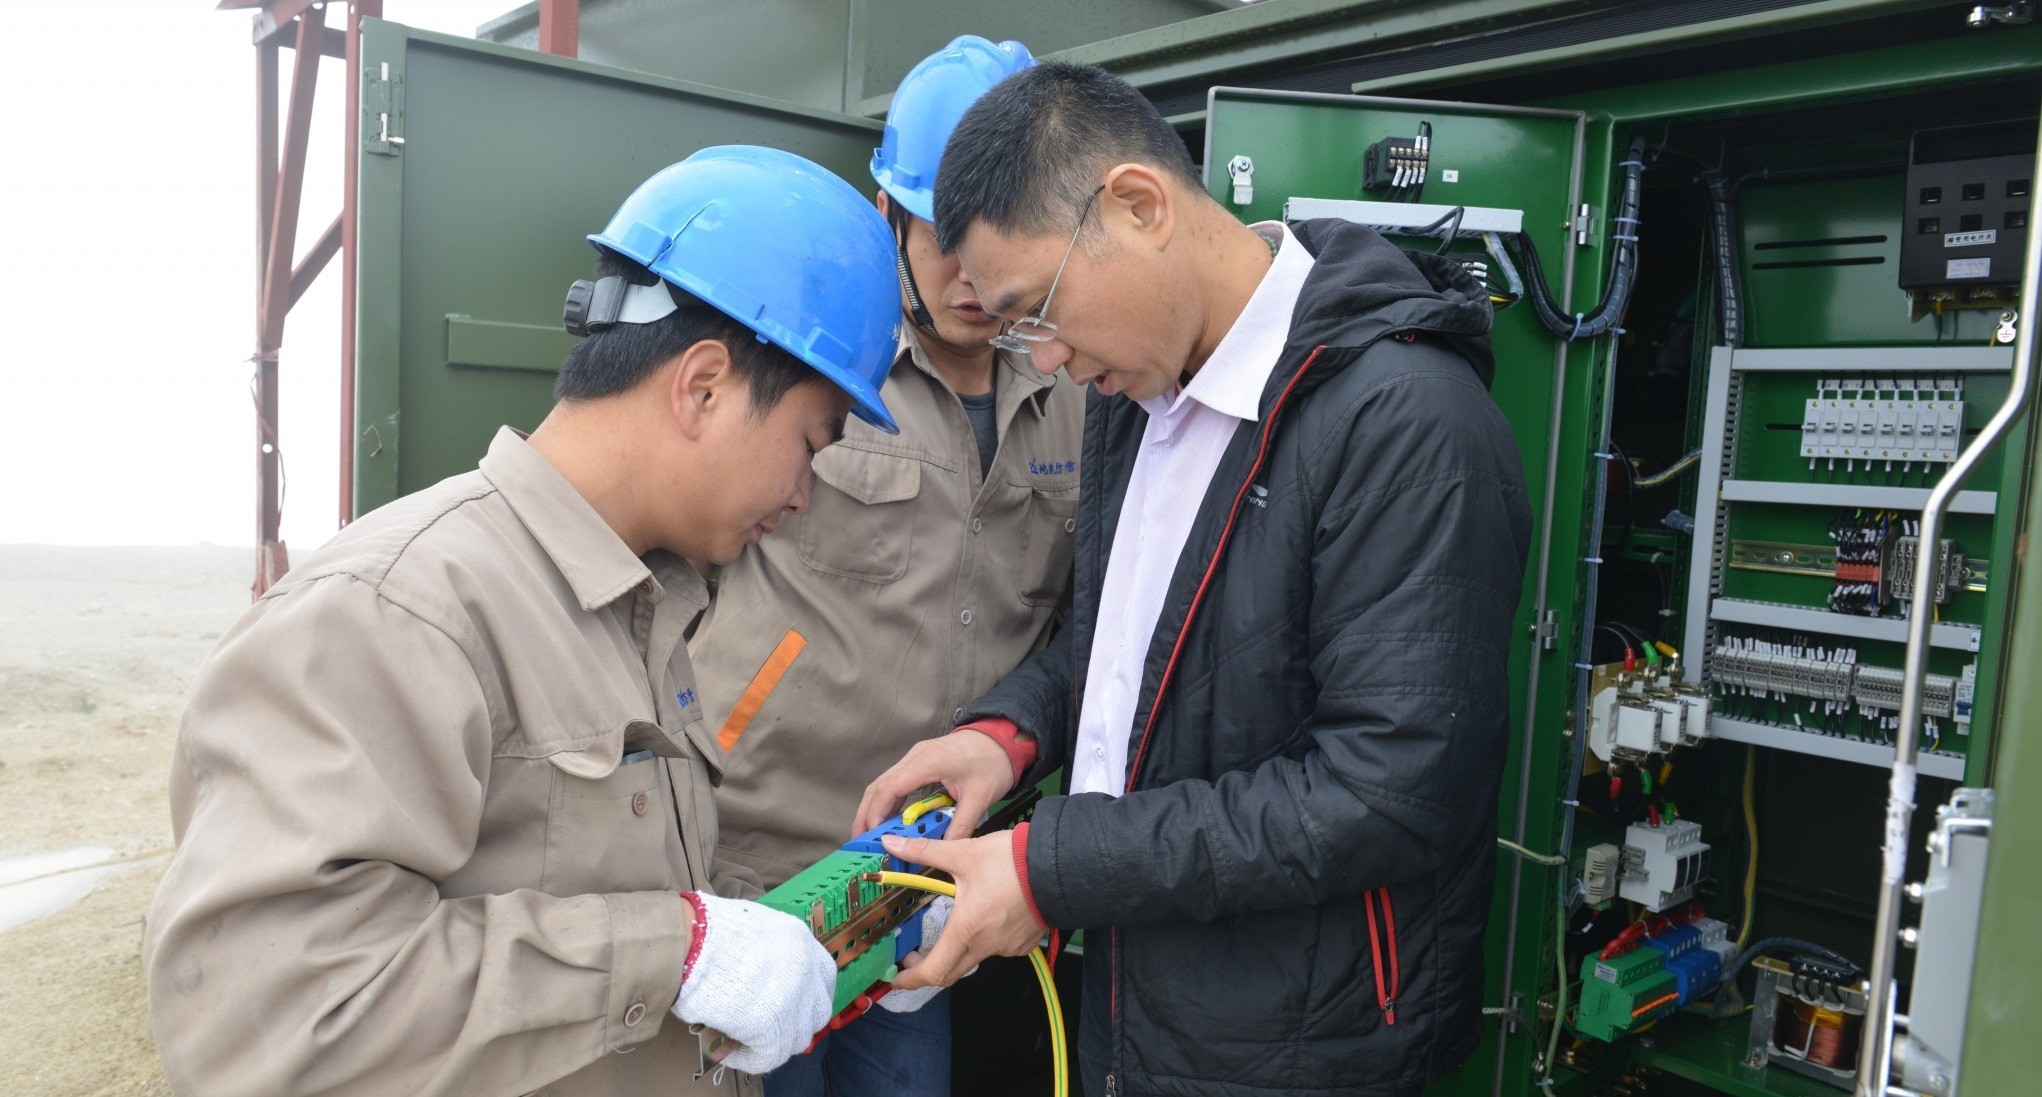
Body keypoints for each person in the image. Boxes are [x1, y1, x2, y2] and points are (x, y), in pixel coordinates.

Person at [143, 146, 903, 1097]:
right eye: (809, 443)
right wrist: (677, 950)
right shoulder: (398, 610)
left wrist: (830, 942)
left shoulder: (643, 608)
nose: (803, 495)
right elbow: (271, 1023)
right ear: (703, 386)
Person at [855, 62, 1534, 1097]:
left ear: (1137, 205)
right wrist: (1008, 733)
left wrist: (1050, 869)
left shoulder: (1406, 422)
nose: (1041, 361)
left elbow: (1387, 792)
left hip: (1306, 1047)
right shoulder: (1136, 391)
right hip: (1140, 1007)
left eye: (1034, 311)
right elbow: (1125, 646)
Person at [689, 36, 1081, 1097]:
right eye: (943, 234)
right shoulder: (810, 354)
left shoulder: (1079, 382)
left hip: (926, 871)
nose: (971, 275)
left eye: (998, 238)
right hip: (758, 853)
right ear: (885, 211)